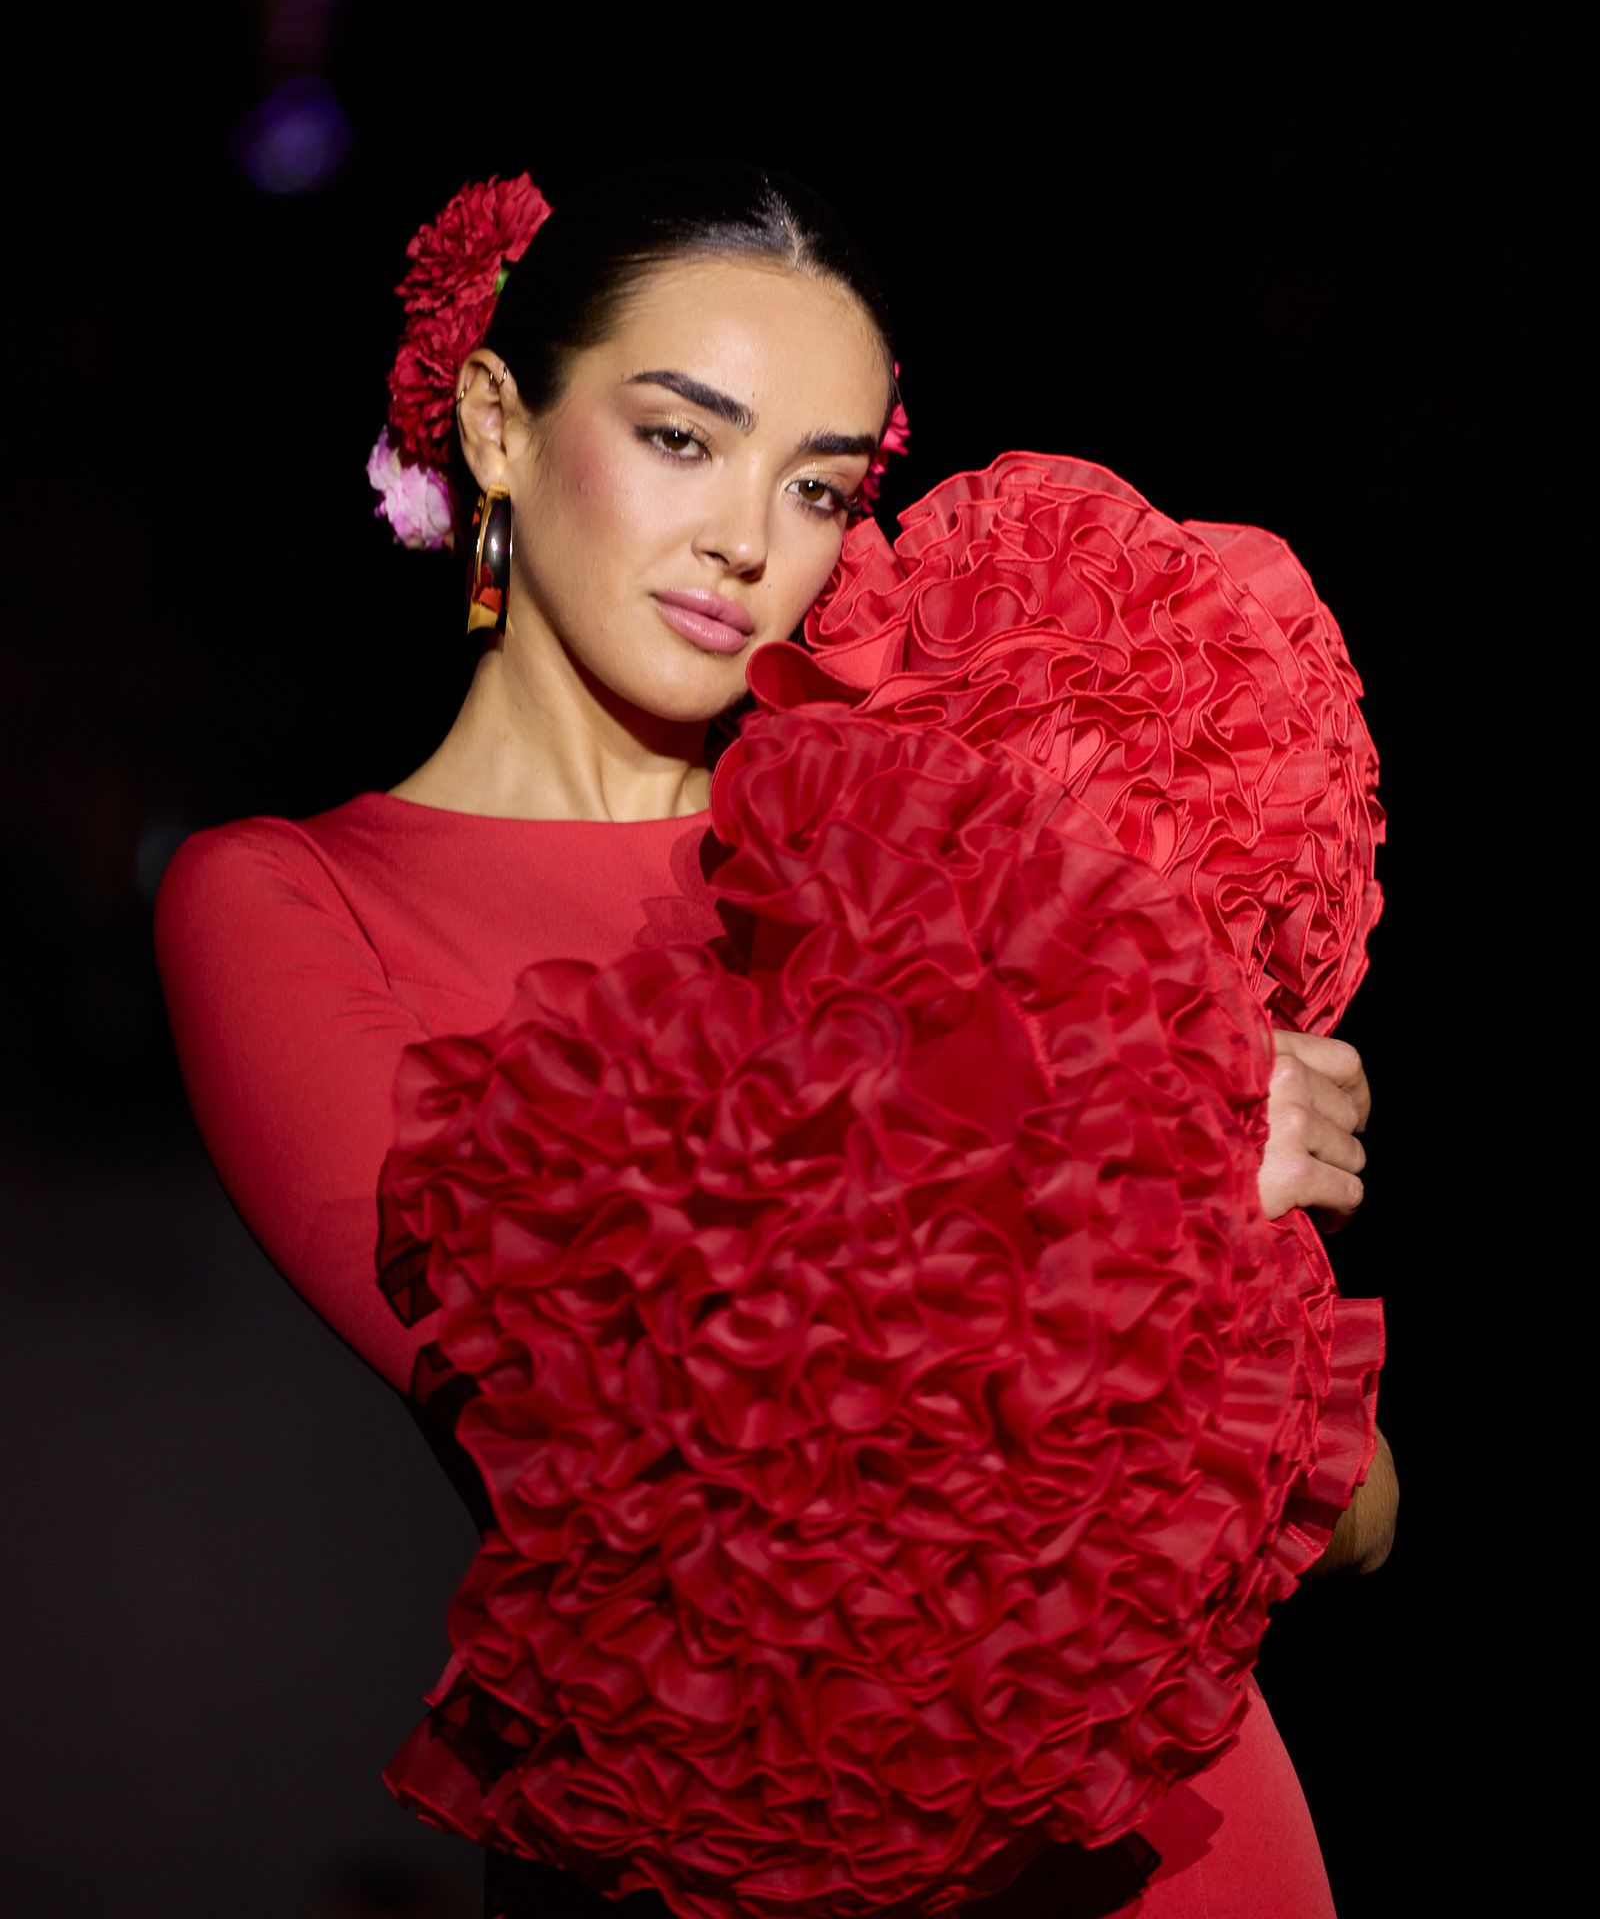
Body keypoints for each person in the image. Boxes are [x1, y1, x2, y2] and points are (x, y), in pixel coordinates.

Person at [154, 163, 1396, 1919]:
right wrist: (1161, 1157)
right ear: (498, 422)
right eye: (683, 439)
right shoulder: (290, 901)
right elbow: (594, 1398)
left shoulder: (939, 823)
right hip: (746, 1847)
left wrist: (1147, 1180)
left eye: (818, 484)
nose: (751, 540)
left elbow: (1358, 1508)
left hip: (1169, 1844)